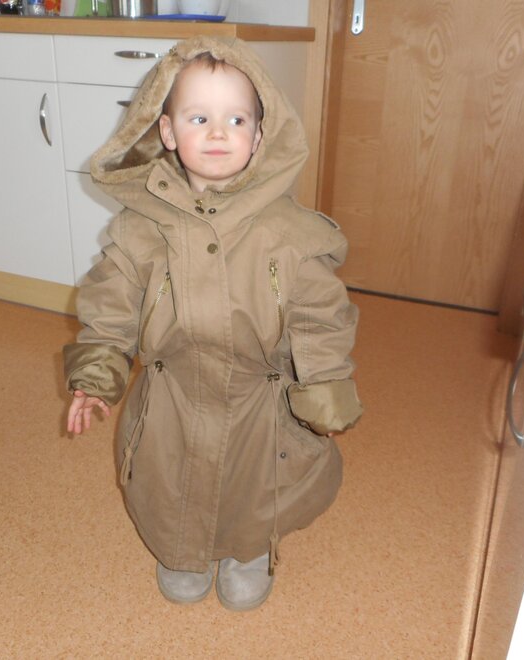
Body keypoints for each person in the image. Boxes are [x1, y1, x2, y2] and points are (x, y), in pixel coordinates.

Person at [63, 36, 362, 611]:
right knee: (168, 475)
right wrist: (97, 372)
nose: (219, 132)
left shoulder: (290, 233)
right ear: (168, 132)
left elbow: (321, 316)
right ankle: (180, 550)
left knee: (255, 480)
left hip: (259, 393)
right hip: (172, 388)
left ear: (260, 135)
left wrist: (325, 383)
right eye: (200, 118)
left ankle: (248, 549)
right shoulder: (140, 228)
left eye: (237, 119)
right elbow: (110, 303)